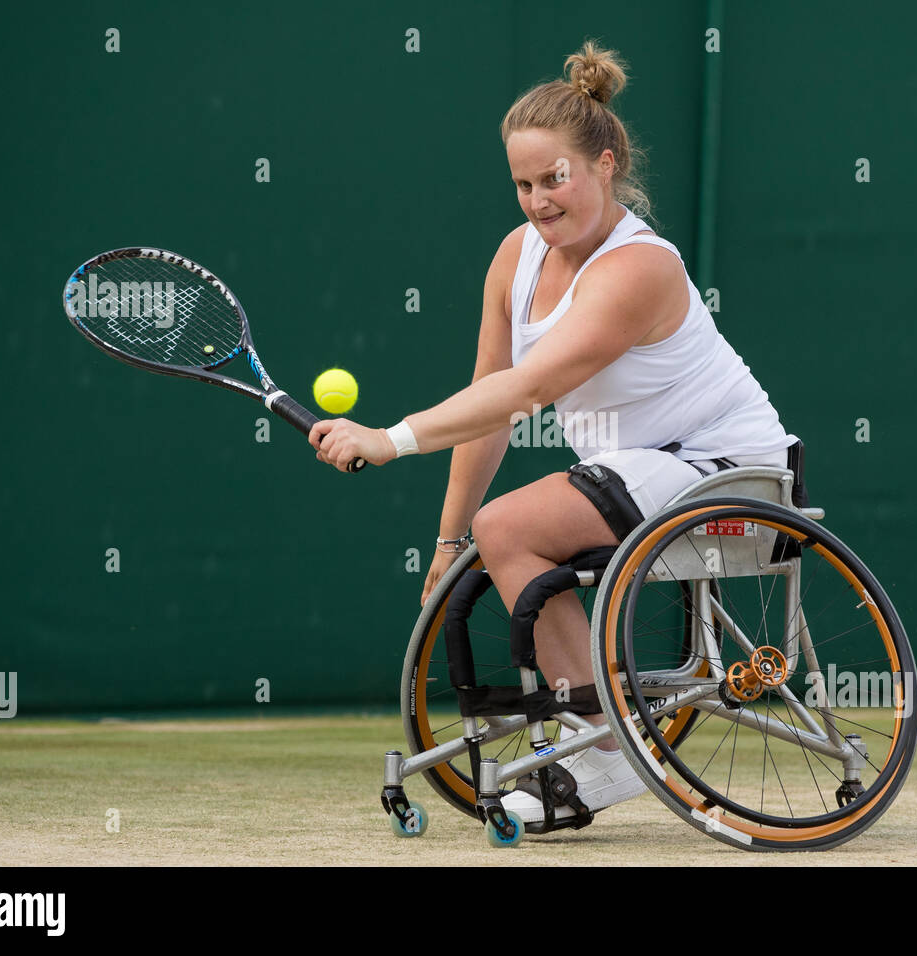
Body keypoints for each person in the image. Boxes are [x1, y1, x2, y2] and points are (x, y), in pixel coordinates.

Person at [309, 40, 799, 825]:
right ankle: (596, 729)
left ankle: (605, 750)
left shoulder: (641, 268)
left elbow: (528, 391)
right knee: (492, 530)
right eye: (523, 184)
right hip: (646, 476)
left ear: (605, 165)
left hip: (731, 475)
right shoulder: (516, 256)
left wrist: (389, 438)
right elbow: (488, 401)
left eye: (555, 178)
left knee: (508, 523)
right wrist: (445, 542)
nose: (538, 200)